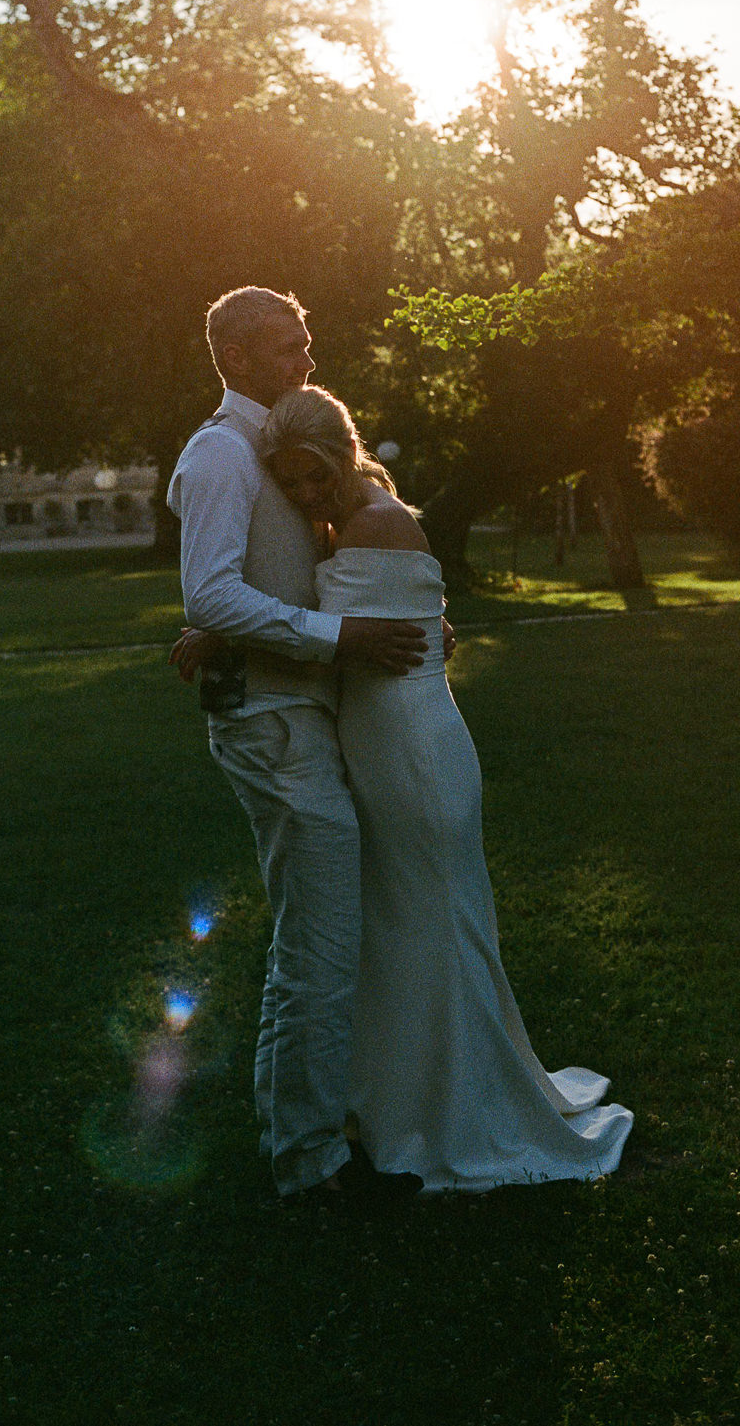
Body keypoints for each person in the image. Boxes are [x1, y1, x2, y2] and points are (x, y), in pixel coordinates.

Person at [258, 384, 634, 1192]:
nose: (301, 494)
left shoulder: (369, 523)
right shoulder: (355, 519)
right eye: (288, 481)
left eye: (313, 474)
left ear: (343, 452)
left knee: (428, 921)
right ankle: (412, 1092)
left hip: (412, 755)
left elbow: (337, 642)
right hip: (392, 745)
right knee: (406, 921)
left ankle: (458, 1104)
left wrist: (218, 634)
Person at [166, 286, 428, 1202]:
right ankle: (311, 1160)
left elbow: (249, 593)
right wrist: (338, 638)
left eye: (308, 342)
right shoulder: (218, 454)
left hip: (297, 714)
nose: (307, 360)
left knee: (315, 937)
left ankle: (306, 1136)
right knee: (317, 942)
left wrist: (242, 627)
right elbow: (210, 594)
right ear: (235, 357)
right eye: (287, 347)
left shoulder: (275, 450)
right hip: (267, 723)